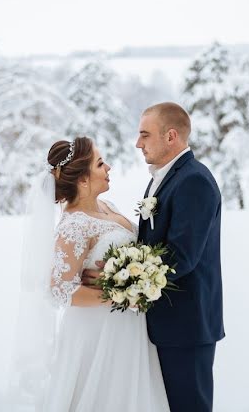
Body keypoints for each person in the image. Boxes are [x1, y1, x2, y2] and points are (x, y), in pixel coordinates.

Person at [13, 136, 169, 411]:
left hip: (130, 328)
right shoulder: (73, 227)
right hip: (97, 333)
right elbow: (59, 289)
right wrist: (119, 293)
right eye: (100, 163)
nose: (108, 167)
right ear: (83, 180)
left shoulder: (108, 208)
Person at [85, 102, 224, 412]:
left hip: (186, 325)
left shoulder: (195, 181)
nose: (138, 144)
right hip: (163, 322)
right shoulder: (164, 177)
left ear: (170, 136)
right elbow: (157, 239)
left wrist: (116, 279)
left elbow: (180, 256)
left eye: (145, 135)